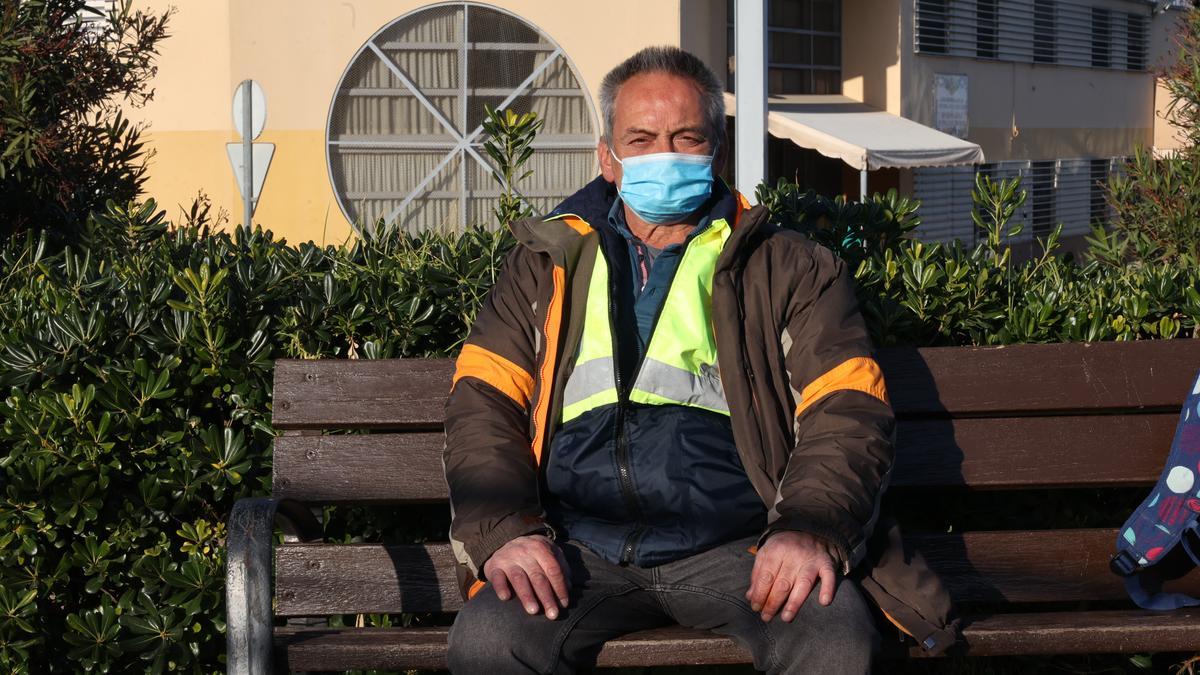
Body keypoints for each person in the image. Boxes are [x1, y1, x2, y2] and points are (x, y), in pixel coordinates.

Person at [443, 46, 895, 674]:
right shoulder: (543, 266)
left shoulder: (790, 266)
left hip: (739, 549)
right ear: (608, 156)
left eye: (686, 138)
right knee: (491, 640)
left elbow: (847, 411)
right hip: (574, 550)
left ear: (718, 151)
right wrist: (504, 531)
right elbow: (482, 407)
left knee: (831, 634)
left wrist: (809, 528)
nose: (665, 155)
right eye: (642, 139)